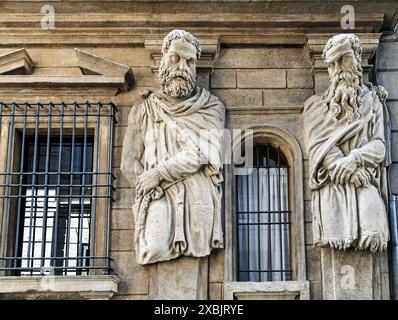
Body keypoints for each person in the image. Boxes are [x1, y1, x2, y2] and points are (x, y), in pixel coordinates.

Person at [121, 29, 225, 265]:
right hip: (157, 196)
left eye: (189, 61)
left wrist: (158, 174)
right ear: (163, 59)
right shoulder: (144, 110)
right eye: (175, 58)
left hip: (197, 195)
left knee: (197, 249)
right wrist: (147, 183)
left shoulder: (211, 107)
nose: (182, 67)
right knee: (154, 248)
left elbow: (202, 153)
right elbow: (128, 162)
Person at [304, 33, 391, 253]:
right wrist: (347, 170)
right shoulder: (316, 107)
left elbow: (379, 146)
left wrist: (354, 159)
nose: (338, 69)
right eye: (332, 64)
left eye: (344, 59)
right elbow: (318, 147)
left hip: (364, 182)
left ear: (357, 57)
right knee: (339, 243)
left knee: (373, 235)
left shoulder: (372, 102)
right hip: (336, 185)